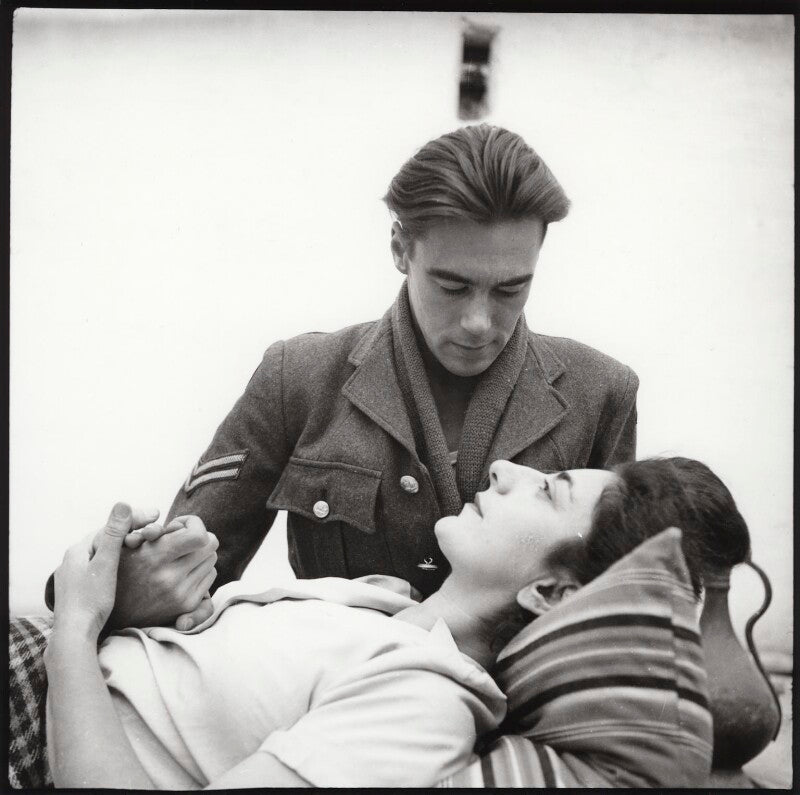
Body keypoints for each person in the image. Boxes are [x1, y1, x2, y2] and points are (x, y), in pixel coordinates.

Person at [45, 124, 639, 630]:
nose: (479, 322)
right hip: (325, 701)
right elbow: (193, 567)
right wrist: (140, 588)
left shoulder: (602, 393)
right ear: (400, 249)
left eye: (511, 289)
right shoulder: (298, 378)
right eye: (452, 286)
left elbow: (617, 606)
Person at [44, 456, 745, 788]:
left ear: (553, 592)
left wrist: (76, 627)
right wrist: (140, 600)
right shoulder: (381, 602)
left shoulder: (423, 704)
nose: (505, 468)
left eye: (547, 490)